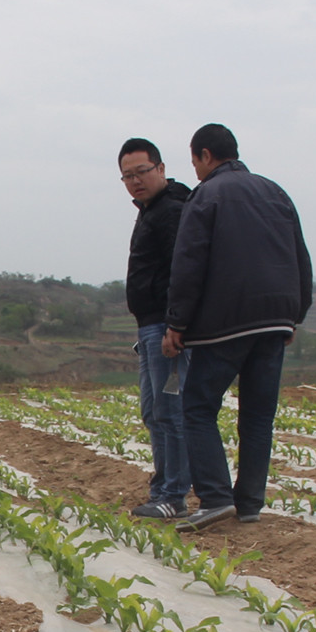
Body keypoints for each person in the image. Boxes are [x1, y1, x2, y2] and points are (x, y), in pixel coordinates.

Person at [163, 124, 312, 531]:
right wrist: (295, 313)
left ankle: (214, 497)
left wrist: (177, 322)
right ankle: (249, 505)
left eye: (194, 161)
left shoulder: (206, 195)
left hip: (225, 322)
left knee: (197, 406)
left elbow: (189, 261)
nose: (194, 169)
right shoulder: (275, 191)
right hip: (276, 320)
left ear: (206, 156)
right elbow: (300, 255)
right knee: (259, 415)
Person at [118, 138, 192, 519]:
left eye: (141, 172)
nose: (135, 181)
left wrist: (176, 326)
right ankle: (163, 488)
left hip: (167, 330)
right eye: (127, 176)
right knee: (154, 411)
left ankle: (173, 495)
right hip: (150, 327)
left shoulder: (172, 211)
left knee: (169, 410)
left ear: (160, 169)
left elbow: (184, 272)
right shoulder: (150, 211)